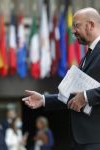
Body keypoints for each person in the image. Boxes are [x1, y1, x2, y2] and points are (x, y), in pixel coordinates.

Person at [22, 7, 100, 150]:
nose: (73, 31)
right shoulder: (87, 56)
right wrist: (44, 99)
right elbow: (73, 96)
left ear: (90, 25)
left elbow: (83, 96)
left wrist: (87, 96)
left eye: (76, 25)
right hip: (81, 140)